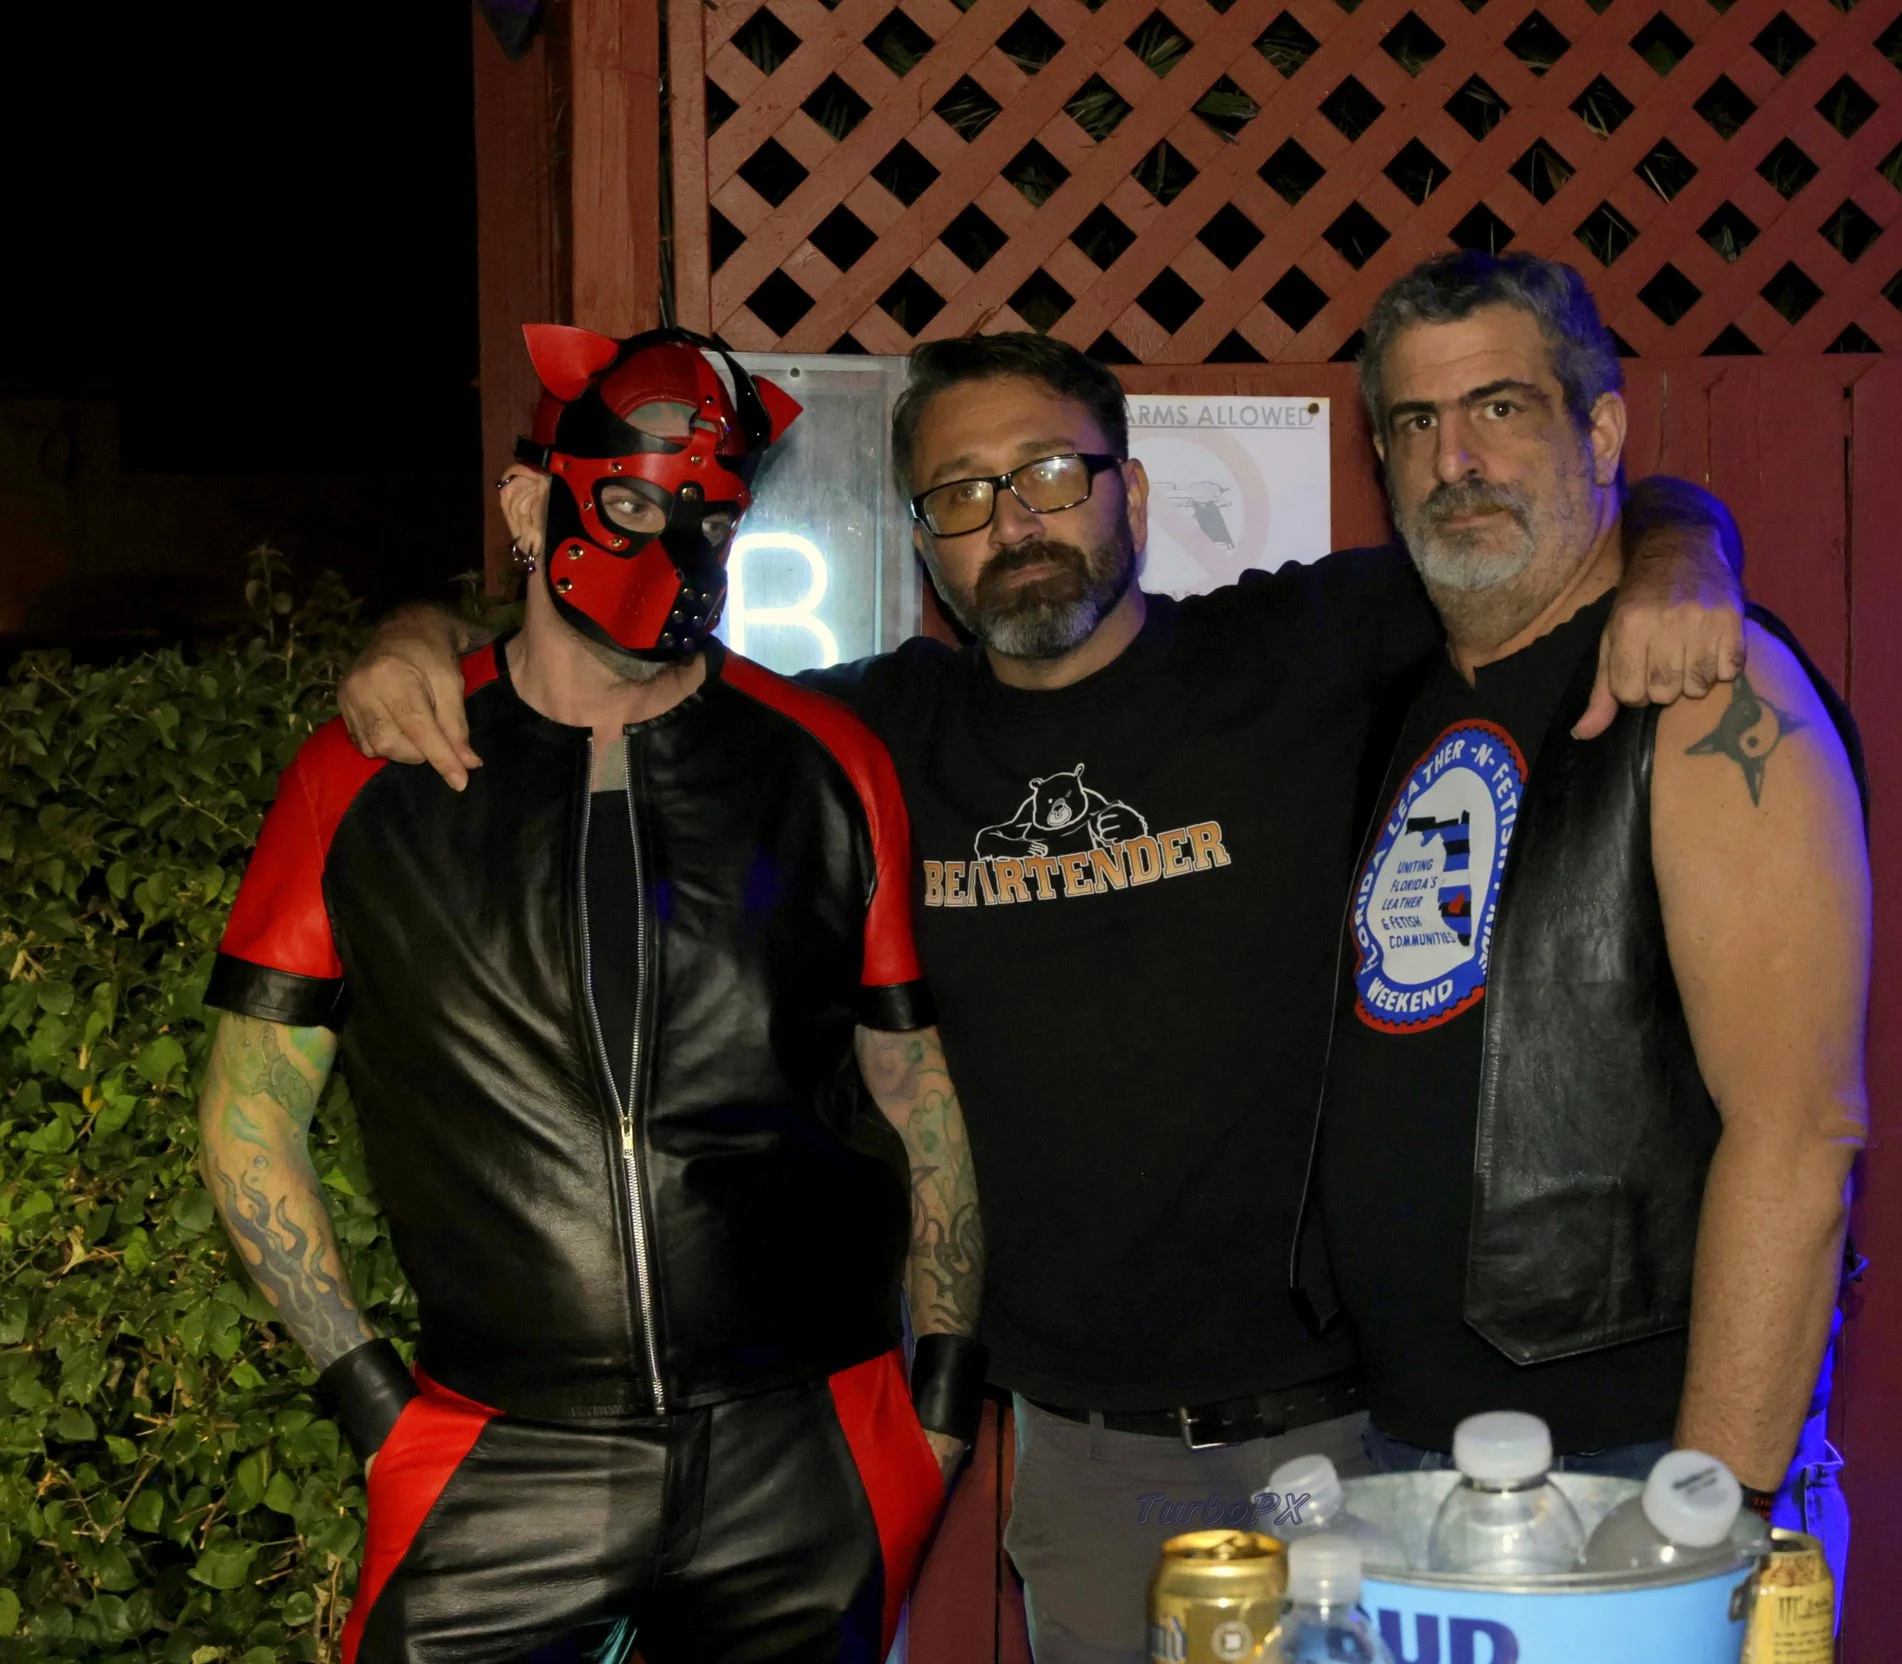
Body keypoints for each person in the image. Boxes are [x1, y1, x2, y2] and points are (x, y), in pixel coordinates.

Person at [337, 331, 1750, 1664]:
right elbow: (607, 665)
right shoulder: (866, 738)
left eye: (1052, 473)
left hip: (1353, 1435)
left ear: (1133, 490)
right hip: (1081, 1458)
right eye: (960, 495)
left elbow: (1565, 524)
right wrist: (414, 635)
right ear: (924, 543)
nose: (1012, 521)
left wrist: (1688, 550)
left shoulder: (1297, 649)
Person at [198, 323, 983, 1664]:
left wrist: (940, 1407)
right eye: (627, 504)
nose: (670, 548)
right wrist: (374, 1403)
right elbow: (248, 1110)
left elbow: (915, 1090)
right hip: (496, 1452)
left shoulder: (826, 762)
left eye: (711, 520)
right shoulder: (364, 776)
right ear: (530, 505)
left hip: (810, 1448)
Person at [1301, 252, 1867, 1602]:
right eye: (1417, 424)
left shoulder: (1711, 688)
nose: (1456, 460)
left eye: (1500, 409)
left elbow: (1800, 1133)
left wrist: (1708, 1515)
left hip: (1641, 1473)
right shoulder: (1399, 694)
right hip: (1413, 1461)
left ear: (1601, 432)